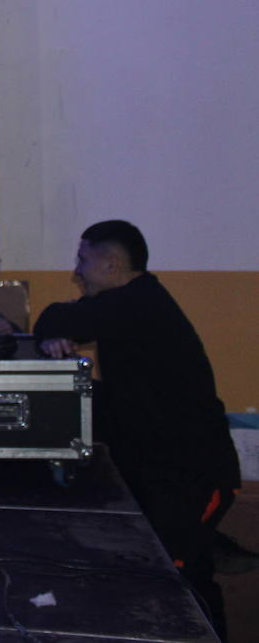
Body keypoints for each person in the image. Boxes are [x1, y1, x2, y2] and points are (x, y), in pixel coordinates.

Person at [37, 220, 240, 640]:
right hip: (168, 470)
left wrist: (54, 333)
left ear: (111, 265)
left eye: (83, 260)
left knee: (186, 579)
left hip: (193, 475)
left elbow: (54, 316)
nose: (77, 271)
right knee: (170, 572)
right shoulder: (136, 304)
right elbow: (126, 396)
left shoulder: (133, 303)